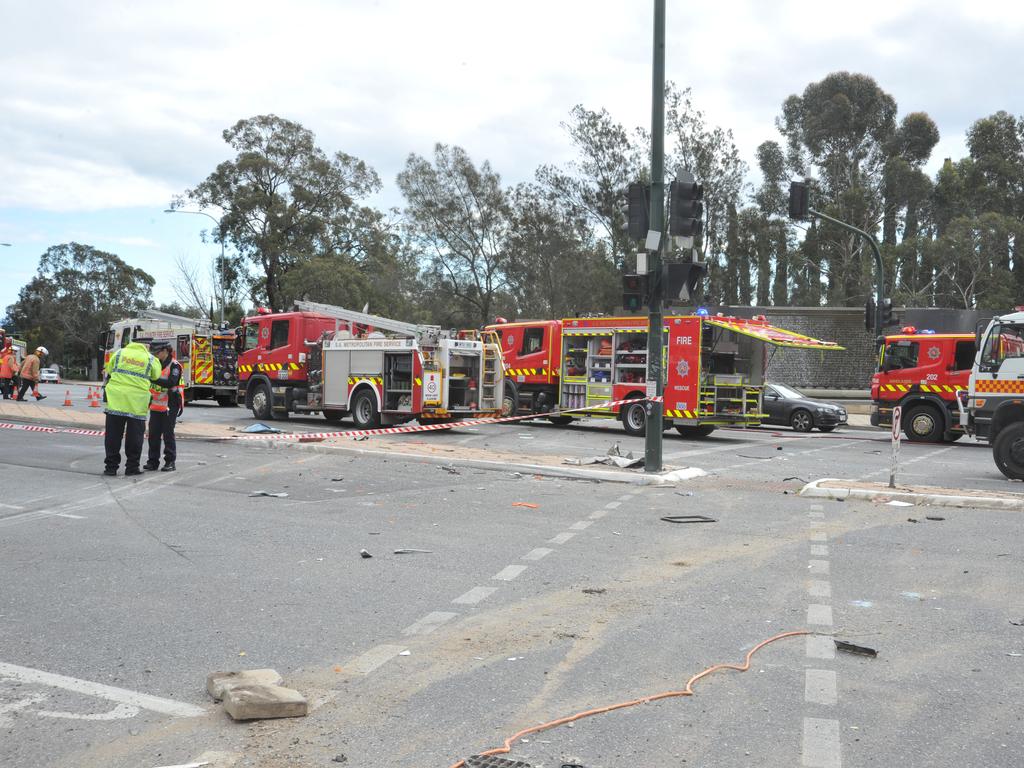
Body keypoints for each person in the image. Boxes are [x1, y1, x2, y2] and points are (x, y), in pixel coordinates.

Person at [103, 339, 161, 476]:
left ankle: (111, 468)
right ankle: (132, 467)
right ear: (146, 346)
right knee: (135, 436)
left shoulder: (118, 353)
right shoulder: (151, 359)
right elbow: (156, 376)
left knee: (113, 436)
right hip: (137, 402)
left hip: (116, 400)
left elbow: (110, 370)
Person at [144, 341, 183, 472]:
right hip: (156, 404)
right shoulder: (155, 364)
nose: (156, 354)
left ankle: (170, 461)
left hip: (170, 404)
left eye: (158, 352)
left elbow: (171, 381)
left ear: (166, 350)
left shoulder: (175, 365)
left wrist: (152, 378)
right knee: (153, 435)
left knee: (168, 434)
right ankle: (152, 461)